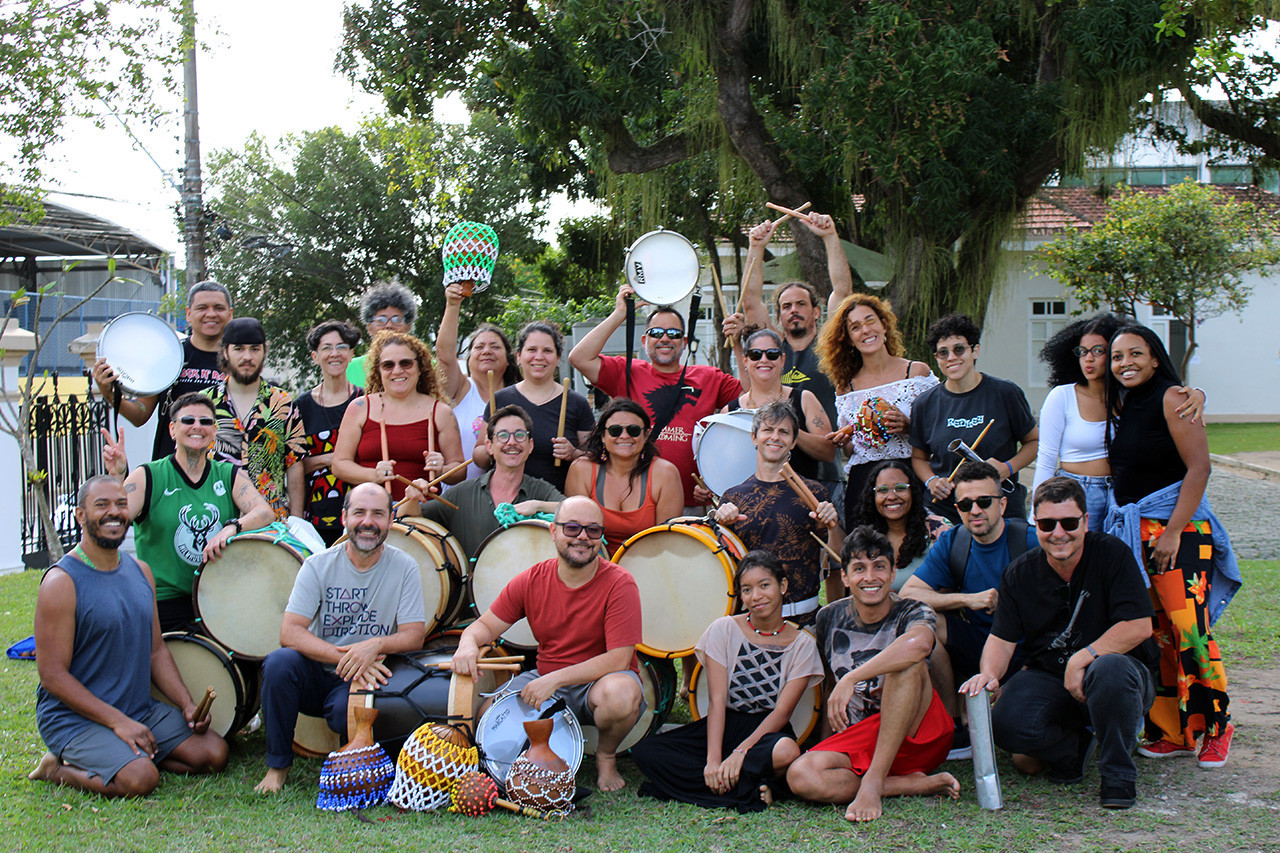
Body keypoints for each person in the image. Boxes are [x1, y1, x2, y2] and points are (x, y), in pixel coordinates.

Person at [961, 477, 1159, 810]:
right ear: (1035, 524)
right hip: (1051, 677)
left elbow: (1139, 626)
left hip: (1121, 677)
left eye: (1069, 523)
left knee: (1110, 669)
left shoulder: (1113, 554)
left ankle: (1118, 774)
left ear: (1085, 521)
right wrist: (989, 676)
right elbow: (1001, 638)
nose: (1058, 533)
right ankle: (1073, 749)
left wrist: (1084, 657)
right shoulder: (1019, 573)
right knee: (1006, 723)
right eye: (1047, 524)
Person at [28, 475, 228, 797]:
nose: (114, 512)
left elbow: (156, 651)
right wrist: (117, 722)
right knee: (140, 779)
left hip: (138, 709)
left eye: (121, 504)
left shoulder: (141, 572)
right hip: (74, 719)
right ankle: (55, 768)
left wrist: (187, 704)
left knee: (213, 754)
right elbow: (52, 676)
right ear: (80, 515)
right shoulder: (61, 582)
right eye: (102, 505)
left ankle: (129, 754)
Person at [1104, 324, 1239, 768]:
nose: (1125, 363)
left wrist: (1174, 532)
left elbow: (1199, 468)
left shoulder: (1173, 398)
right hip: (1138, 534)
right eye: (1117, 356)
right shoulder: (1125, 402)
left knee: (1190, 631)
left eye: (1135, 354)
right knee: (1158, 634)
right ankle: (1174, 732)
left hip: (1178, 533)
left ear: (1155, 357)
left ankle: (1217, 727)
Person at [451, 496, 645, 792]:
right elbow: (486, 626)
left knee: (622, 694)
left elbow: (618, 659)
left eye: (593, 530)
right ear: (553, 531)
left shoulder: (620, 582)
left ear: (601, 536)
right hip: (546, 679)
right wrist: (467, 643)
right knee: (488, 714)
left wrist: (555, 679)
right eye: (572, 528)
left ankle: (606, 756)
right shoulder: (532, 579)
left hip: (598, 684)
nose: (583, 537)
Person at [254, 483, 428, 793]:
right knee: (279, 663)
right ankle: (277, 766)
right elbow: (290, 632)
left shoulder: (405, 567)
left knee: (341, 715)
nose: (368, 522)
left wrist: (376, 645)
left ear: (391, 520)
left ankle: (351, 753)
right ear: (344, 517)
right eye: (359, 512)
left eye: (378, 514)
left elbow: (414, 636)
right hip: (318, 672)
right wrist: (348, 657)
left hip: (365, 678)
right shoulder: (318, 565)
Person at [786, 526, 960, 823]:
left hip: (915, 734)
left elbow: (918, 645)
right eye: (859, 568)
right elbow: (831, 687)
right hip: (861, 735)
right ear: (844, 577)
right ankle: (906, 784)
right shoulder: (829, 617)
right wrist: (825, 742)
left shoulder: (914, 611)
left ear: (892, 574)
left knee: (907, 663)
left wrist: (852, 678)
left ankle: (873, 782)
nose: (870, 577)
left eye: (879, 566)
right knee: (801, 775)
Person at [631, 551, 824, 812]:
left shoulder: (802, 645)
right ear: (740, 596)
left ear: (782, 586)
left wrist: (740, 752)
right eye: (747, 589)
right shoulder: (723, 629)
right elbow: (717, 700)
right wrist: (713, 760)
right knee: (645, 750)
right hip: (724, 723)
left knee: (787, 751)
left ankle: (715, 784)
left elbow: (782, 713)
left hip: (766, 731)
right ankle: (754, 787)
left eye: (764, 585)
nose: (756, 596)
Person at [101, 392, 276, 631]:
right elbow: (114, 522)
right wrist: (117, 476)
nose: (197, 426)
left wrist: (232, 527)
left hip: (216, 599)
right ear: (172, 429)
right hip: (162, 604)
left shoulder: (228, 474)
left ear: (214, 431)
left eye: (205, 421)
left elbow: (265, 513)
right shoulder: (147, 476)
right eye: (188, 420)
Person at [900, 461, 1038, 756]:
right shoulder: (954, 541)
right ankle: (955, 724)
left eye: (984, 501)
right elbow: (909, 593)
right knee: (926, 622)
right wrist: (967, 599)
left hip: (1030, 653)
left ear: (1002, 504)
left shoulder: (1030, 541)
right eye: (965, 504)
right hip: (980, 645)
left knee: (1025, 757)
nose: (975, 510)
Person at [570, 283, 742, 509]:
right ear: (644, 341)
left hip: (694, 501)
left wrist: (739, 345)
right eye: (656, 333)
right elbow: (579, 357)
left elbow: (753, 396)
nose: (665, 338)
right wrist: (620, 313)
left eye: (674, 334)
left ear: (684, 342)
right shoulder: (627, 371)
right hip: (635, 498)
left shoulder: (710, 377)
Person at [1033, 314, 1204, 532]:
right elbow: (1046, 459)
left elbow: (1168, 402)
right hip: (1079, 491)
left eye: (1098, 351)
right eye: (1082, 352)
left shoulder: (1128, 395)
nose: (1088, 359)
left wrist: (1199, 394)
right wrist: (1036, 515)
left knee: (1117, 552)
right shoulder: (1062, 396)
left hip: (1122, 495)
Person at [726, 215, 846, 494]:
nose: (794, 310)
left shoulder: (830, 347)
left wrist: (830, 236)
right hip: (771, 474)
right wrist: (756, 246)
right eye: (786, 306)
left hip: (823, 473)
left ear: (816, 312)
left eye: (801, 304)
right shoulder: (770, 352)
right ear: (779, 316)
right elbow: (751, 301)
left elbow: (842, 292)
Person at [713, 401, 841, 627]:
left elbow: (838, 555)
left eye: (784, 432)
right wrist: (719, 523)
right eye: (767, 430)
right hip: (750, 623)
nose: (775, 437)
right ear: (754, 437)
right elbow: (720, 567)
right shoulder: (733, 498)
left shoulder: (814, 493)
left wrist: (832, 525)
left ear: (793, 442)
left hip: (804, 622)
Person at [815, 292, 937, 522]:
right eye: (855, 327)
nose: (865, 330)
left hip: (910, 476)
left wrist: (908, 426)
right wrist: (845, 441)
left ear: (884, 325)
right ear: (849, 339)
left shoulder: (916, 373)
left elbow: (939, 431)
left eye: (870, 321)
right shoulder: (846, 387)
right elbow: (852, 450)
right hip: (864, 482)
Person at [910, 313, 1039, 524]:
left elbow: (1034, 442)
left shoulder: (1005, 393)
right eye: (943, 352)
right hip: (947, 509)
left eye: (959, 349)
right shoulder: (925, 403)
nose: (951, 357)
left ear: (975, 350)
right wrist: (931, 481)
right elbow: (919, 458)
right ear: (936, 358)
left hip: (1000, 506)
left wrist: (1007, 468)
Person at [91, 280, 232, 461]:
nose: (211, 314)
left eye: (218, 308)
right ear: (188, 314)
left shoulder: (239, 361)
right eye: (202, 308)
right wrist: (109, 394)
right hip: (171, 469)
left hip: (226, 469)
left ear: (230, 314)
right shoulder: (169, 357)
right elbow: (140, 414)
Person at [408, 405, 564, 558]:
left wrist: (538, 505)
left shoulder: (541, 491)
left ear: (530, 446)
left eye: (520, 435)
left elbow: (575, 510)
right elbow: (410, 519)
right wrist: (412, 498)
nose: (511, 442)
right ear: (489, 446)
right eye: (503, 435)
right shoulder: (463, 494)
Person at [332, 330, 466, 503]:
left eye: (406, 363)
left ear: (420, 367)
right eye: (388, 365)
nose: (397, 371)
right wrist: (373, 475)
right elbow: (339, 464)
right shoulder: (359, 408)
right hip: (371, 509)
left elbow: (460, 470)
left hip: (423, 510)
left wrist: (442, 470)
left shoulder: (441, 412)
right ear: (378, 370)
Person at [204, 317, 307, 520]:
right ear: (225, 352)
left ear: (264, 351)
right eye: (239, 349)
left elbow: (294, 464)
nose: (247, 357)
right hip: (215, 516)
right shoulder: (205, 403)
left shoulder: (283, 402)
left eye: (254, 349)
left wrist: (296, 521)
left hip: (271, 522)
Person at [476, 321, 593, 493]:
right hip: (506, 501)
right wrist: (492, 447)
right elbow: (479, 457)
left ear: (557, 358)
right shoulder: (499, 400)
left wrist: (573, 453)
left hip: (559, 501)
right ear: (518, 356)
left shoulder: (576, 403)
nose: (539, 357)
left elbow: (595, 458)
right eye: (531, 350)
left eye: (547, 351)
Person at [565, 398, 684, 552]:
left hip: (650, 560)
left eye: (633, 430)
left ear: (646, 435)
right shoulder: (582, 469)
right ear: (603, 436)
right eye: (615, 430)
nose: (624, 436)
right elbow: (576, 533)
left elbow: (666, 541)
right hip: (592, 559)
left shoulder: (665, 473)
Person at [724, 328, 834, 481]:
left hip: (800, 493)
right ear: (745, 361)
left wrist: (790, 430)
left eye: (772, 354)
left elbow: (828, 452)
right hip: (748, 495)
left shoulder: (804, 399)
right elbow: (719, 461)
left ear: (782, 360)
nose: (764, 360)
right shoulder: (730, 411)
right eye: (755, 354)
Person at [435, 282, 519, 481]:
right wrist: (453, 305)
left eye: (495, 347)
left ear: (509, 359)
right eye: (479, 347)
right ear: (468, 359)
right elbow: (444, 356)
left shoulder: (519, 395)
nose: (486, 351)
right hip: (457, 492)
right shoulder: (460, 389)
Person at [296, 321, 363, 545]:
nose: (335, 354)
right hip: (316, 515)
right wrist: (334, 459)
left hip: (362, 511)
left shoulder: (366, 401)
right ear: (315, 357)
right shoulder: (301, 406)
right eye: (327, 348)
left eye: (341, 347)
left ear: (351, 354)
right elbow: (294, 465)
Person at [849, 459, 949, 593]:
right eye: (882, 490)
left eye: (900, 488)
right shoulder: (865, 535)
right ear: (873, 496)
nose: (891, 496)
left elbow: (952, 584)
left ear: (913, 491)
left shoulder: (938, 529)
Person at [347, 279, 419, 387]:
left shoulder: (427, 366)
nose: (389, 325)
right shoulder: (349, 369)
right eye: (381, 320)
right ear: (369, 328)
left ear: (407, 327)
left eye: (396, 320)